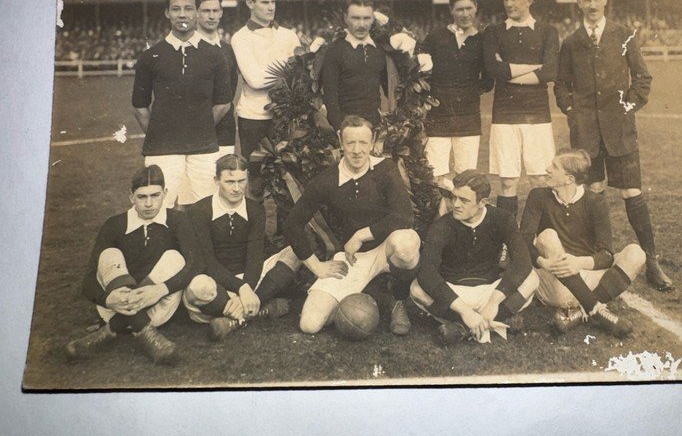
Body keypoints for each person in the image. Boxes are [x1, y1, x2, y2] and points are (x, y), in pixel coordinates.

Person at [555, 0, 673, 290]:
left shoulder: (624, 35)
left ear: (605, 0)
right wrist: (573, 113)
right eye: (586, 0)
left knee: (631, 192)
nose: (591, 5)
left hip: (619, 130)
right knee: (593, 192)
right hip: (586, 134)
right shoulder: (571, 41)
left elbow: (643, 78)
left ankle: (653, 260)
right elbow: (560, 85)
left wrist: (627, 106)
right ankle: (597, 256)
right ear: (578, 4)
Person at [284, 115, 420, 336]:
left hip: (386, 250)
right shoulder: (328, 180)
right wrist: (316, 266)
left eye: (363, 143)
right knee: (309, 325)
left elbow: (404, 217)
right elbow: (292, 224)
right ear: (340, 141)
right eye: (350, 143)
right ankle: (357, 297)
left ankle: (397, 300)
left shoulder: (385, 169)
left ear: (373, 140)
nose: (357, 150)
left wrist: (360, 235)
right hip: (350, 259)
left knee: (406, 242)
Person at [66, 166, 200, 364]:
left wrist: (161, 290)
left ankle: (108, 333)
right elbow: (88, 280)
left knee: (175, 257)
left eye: (155, 195)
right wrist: (107, 299)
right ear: (131, 197)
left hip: (158, 307)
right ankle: (147, 335)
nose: (149, 204)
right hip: (115, 307)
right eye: (141, 197)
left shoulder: (178, 220)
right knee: (109, 254)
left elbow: (197, 263)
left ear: (165, 193)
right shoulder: (114, 224)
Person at [520, 149, 645, 337]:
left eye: (554, 167)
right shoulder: (538, 196)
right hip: (555, 282)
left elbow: (606, 255)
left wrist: (578, 263)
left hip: (585, 275)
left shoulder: (595, 202)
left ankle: (581, 311)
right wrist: (544, 262)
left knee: (636, 252)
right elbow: (523, 242)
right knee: (547, 236)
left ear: (569, 179)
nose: (547, 169)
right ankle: (594, 308)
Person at [411, 170, 539, 345]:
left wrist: (494, 302)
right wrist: (465, 311)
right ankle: (488, 321)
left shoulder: (502, 219)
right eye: (454, 197)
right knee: (416, 288)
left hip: (489, 291)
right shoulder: (443, 225)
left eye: (464, 200)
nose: (455, 204)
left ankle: (462, 327)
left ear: (483, 203)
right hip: (455, 295)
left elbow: (522, 262)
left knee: (532, 278)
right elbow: (426, 271)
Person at [132, 0, 232, 209]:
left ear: (197, 12)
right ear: (167, 13)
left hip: (204, 147)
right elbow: (140, 107)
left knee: (207, 208)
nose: (183, 14)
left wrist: (200, 128)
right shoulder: (151, 56)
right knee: (158, 208)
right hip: (163, 148)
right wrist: (161, 133)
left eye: (188, 8)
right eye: (176, 9)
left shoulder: (215, 54)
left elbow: (224, 102)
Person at [183, 154, 302, 341]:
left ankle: (236, 318)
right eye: (230, 182)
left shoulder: (255, 209)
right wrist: (242, 289)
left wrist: (245, 289)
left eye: (241, 181)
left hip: (250, 280)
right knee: (197, 287)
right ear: (216, 180)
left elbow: (255, 258)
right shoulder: (199, 211)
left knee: (295, 253)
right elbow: (207, 263)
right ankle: (262, 309)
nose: (237, 188)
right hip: (218, 284)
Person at [483, 0, 560, 219]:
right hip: (504, 116)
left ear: (529, 0)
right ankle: (508, 239)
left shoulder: (547, 32)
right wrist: (532, 68)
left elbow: (549, 72)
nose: (508, 3)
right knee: (507, 181)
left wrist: (508, 71)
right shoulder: (494, 32)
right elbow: (494, 71)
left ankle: (540, 234)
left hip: (537, 116)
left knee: (539, 179)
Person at [230, 0, 302, 194]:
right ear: (250, 3)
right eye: (265, 2)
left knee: (288, 180)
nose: (271, 7)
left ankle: (283, 229)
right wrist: (289, 68)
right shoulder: (240, 38)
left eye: (273, 1)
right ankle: (257, 228)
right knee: (256, 184)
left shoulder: (289, 35)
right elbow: (255, 80)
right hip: (253, 118)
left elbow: (302, 76)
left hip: (285, 117)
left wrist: (285, 71)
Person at [419, 0, 493, 186]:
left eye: (469, 8)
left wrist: (468, 92)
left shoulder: (483, 40)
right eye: (459, 9)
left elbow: (488, 80)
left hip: (468, 117)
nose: (465, 13)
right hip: (438, 116)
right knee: (435, 175)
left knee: (467, 176)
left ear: (476, 7)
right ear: (451, 10)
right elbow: (420, 72)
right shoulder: (436, 37)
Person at [321, 0, 430, 131]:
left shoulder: (380, 49)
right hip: (347, 127)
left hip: (376, 127)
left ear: (373, 18)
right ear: (346, 18)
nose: (361, 24)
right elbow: (330, 96)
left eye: (366, 18)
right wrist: (339, 129)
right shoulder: (335, 50)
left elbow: (393, 89)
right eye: (356, 18)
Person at [196, 0, 238, 158]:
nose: (212, 16)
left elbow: (231, 88)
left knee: (224, 179)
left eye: (215, 11)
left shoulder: (228, 50)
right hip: (193, 130)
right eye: (206, 11)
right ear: (197, 13)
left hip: (224, 130)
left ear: (221, 13)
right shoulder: (186, 48)